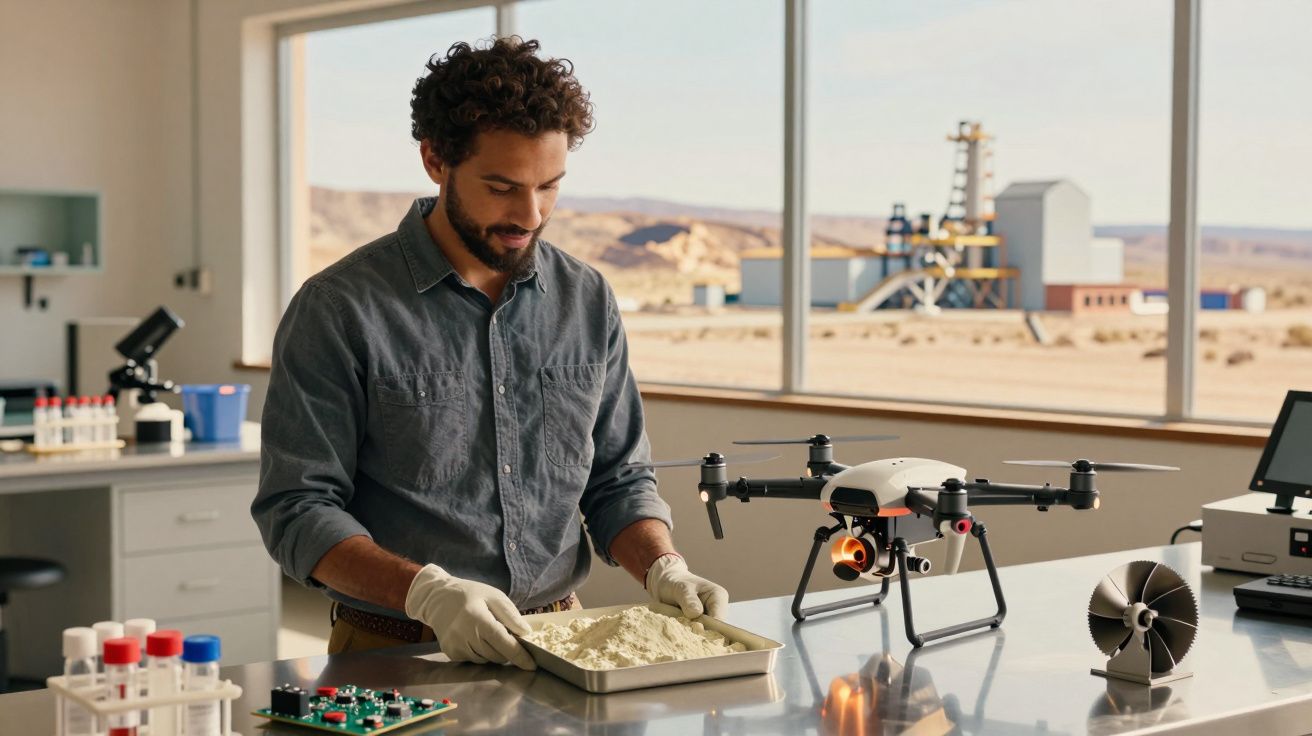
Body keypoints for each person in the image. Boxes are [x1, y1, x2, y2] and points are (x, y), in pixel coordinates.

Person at [252, 37, 728, 670]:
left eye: (549, 187)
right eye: (502, 187)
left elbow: (617, 479)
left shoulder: (585, 299)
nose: (529, 214)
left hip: (563, 642)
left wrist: (663, 566)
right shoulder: (339, 307)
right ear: (434, 159)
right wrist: (428, 593)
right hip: (393, 652)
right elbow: (296, 509)